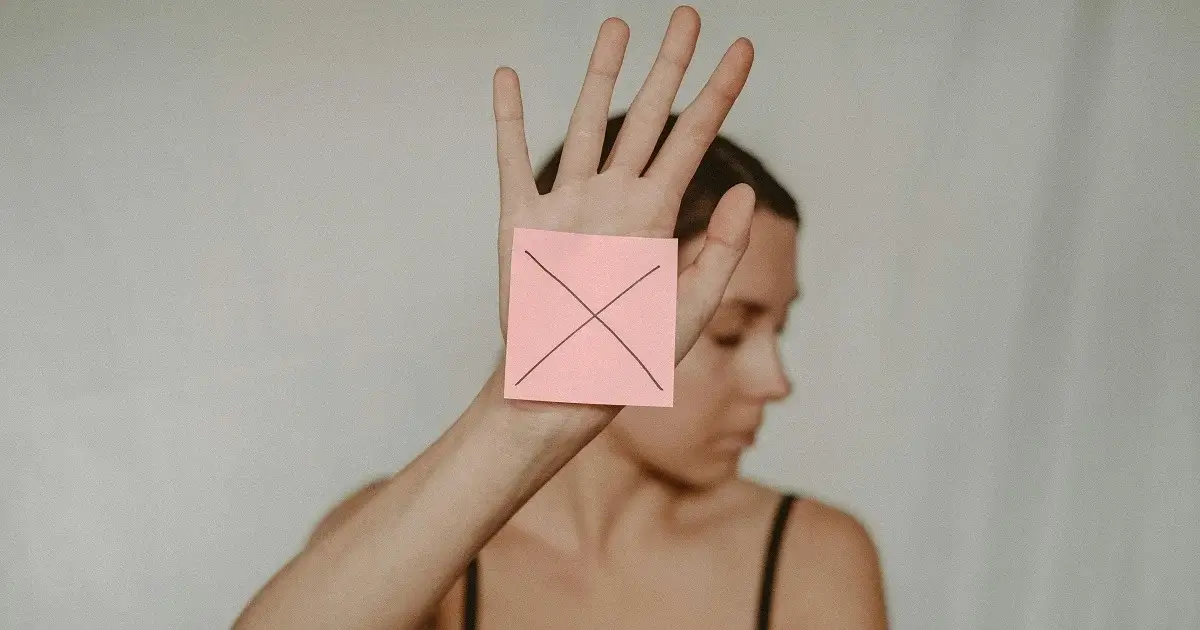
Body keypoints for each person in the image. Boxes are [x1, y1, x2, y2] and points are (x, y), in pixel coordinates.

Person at [234, 6, 886, 629]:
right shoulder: (413, 546)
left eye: (780, 329)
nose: (775, 382)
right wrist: (520, 421)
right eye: (729, 331)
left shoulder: (812, 557)